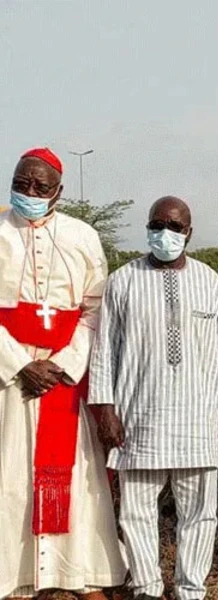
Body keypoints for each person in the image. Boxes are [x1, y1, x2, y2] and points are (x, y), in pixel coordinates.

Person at [89, 196, 218, 600]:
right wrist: (105, 408)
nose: (166, 234)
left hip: (199, 416)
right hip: (138, 414)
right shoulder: (123, 280)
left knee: (199, 512)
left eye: (175, 227)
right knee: (137, 511)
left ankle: (190, 589)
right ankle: (145, 586)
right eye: (158, 225)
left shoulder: (209, 280)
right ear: (147, 227)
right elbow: (105, 349)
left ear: (189, 233)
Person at [0, 148, 126, 599]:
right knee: (8, 474)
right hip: (9, 377)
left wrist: (66, 364)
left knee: (74, 476)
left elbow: (96, 312)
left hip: (63, 377)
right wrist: (20, 364)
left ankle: (73, 572)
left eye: (40, 187)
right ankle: (12, 574)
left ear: (59, 192)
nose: (29, 193)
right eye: (21, 183)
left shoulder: (82, 236)